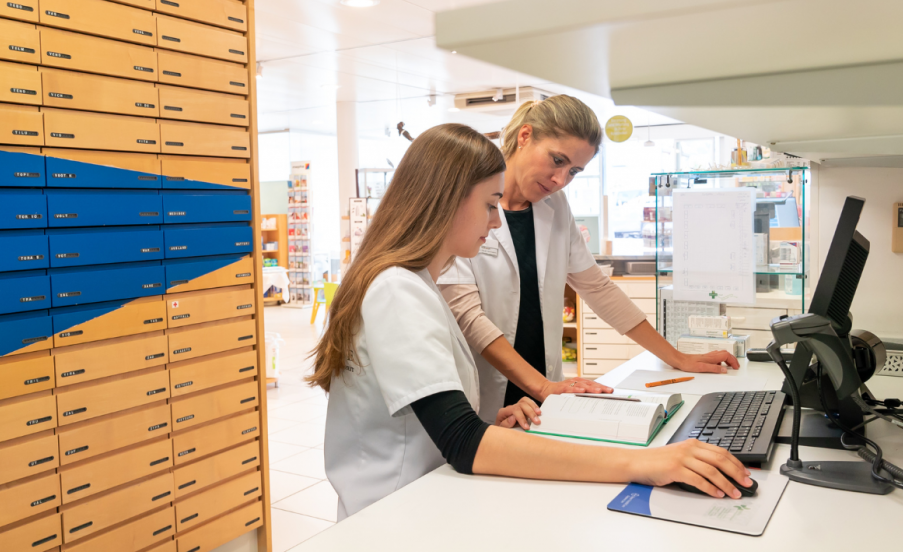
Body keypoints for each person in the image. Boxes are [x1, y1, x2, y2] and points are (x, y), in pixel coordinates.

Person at [308, 123, 751, 521]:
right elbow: (461, 442)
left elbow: (443, 422)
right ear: (444, 202)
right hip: (394, 515)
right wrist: (643, 464)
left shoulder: (416, 283)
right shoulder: (397, 289)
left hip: (432, 498)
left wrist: (491, 421)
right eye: (488, 204)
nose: (497, 219)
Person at [438, 95, 739, 421]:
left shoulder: (555, 206)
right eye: (557, 160)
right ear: (525, 137)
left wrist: (676, 358)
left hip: (543, 392)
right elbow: (469, 317)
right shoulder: (467, 200)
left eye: (574, 171)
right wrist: (542, 387)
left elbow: (597, 287)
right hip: (488, 394)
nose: (560, 180)